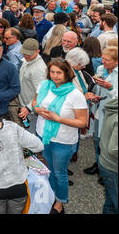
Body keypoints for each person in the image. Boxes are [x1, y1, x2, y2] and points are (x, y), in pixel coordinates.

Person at [31, 59, 88, 214]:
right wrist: (38, 110)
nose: (55, 76)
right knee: (45, 170)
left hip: (63, 141)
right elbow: (35, 102)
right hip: (42, 135)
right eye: (52, 72)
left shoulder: (75, 94)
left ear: (66, 74)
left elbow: (83, 122)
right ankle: (48, 196)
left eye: (59, 73)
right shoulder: (44, 85)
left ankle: (60, 202)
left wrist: (58, 119)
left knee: (59, 173)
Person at [86, 47, 118, 182]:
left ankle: (106, 170)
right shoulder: (100, 69)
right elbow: (97, 88)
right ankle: (98, 164)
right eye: (102, 58)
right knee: (97, 138)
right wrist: (95, 95)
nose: (103, 61)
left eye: (107, 60)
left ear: (116, 61)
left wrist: (109, 87)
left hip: (111, 113)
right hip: (98, 109)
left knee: (107, 142)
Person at [17, 39, 47, 135]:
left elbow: (42, 92)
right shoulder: (28, 60)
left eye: (28, 54)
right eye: (24, 53)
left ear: (38, 51)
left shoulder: (39, 70)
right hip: (24, 105)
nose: (26, 56)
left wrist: (28, 108)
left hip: (31, 111)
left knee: (31, 136)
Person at [98, 96, 118, 214]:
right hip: (113, 167)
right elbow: (115, 149)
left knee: (110, 203)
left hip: (106, 162)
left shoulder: (114, 104)